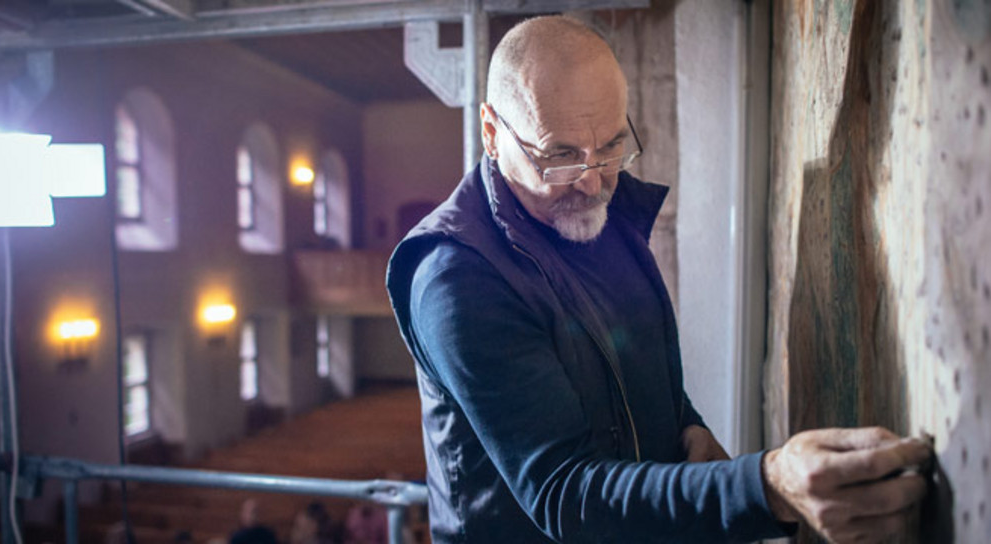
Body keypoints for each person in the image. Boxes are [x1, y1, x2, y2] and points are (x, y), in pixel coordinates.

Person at [386, 14, 932, 544]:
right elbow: (565, 493)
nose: (595, 181)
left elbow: (631, 362)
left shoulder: (600, 206)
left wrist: (685, 425)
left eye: (611, 145)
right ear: (490, 131)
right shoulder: (455, 279)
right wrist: (767, 487)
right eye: (560, 155)